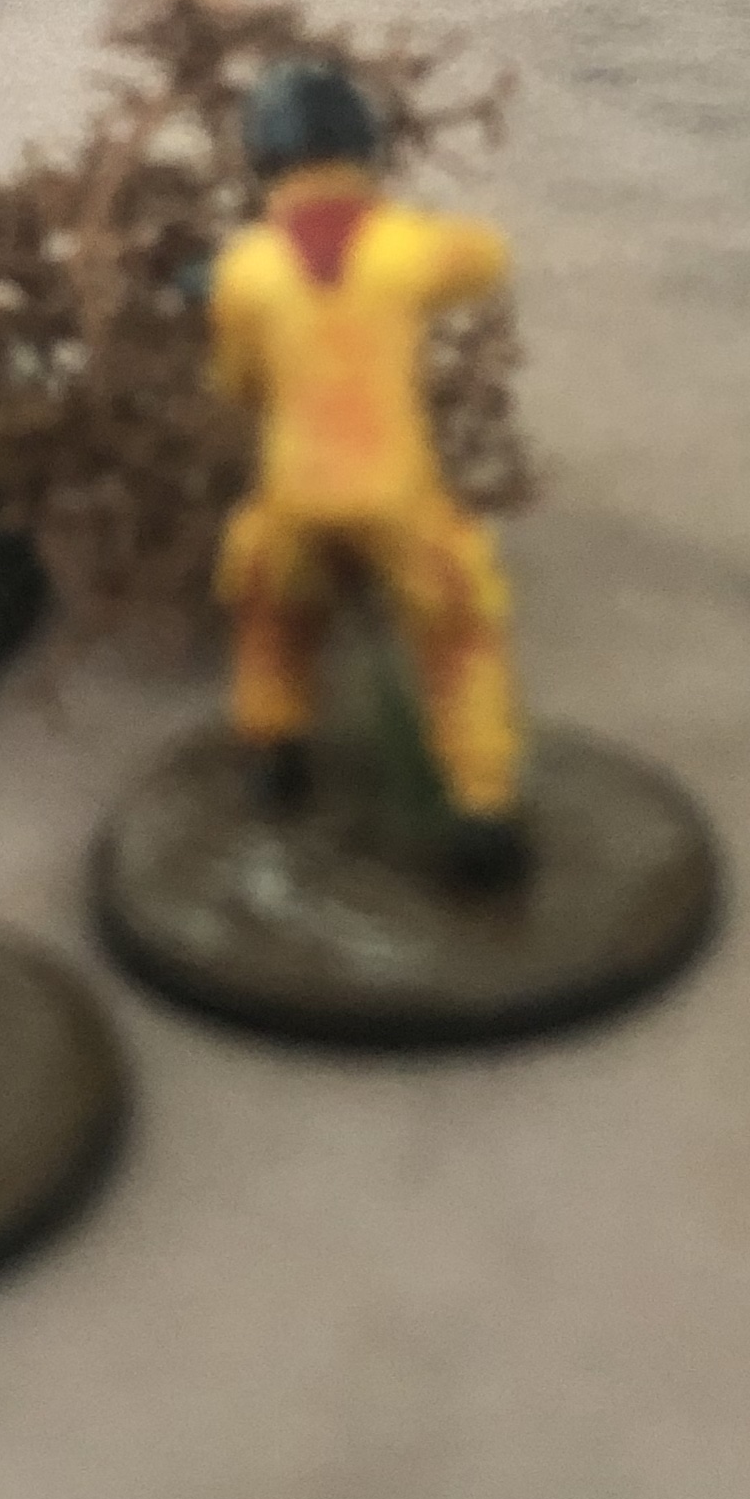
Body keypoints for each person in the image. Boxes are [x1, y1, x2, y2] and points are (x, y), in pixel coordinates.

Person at [207, 62, 527, 884]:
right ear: (364, 150)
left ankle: (275, 749)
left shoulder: (247, 268)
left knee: (275, 618)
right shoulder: (402, 246)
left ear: (264, 161)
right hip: (395, 494)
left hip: (296, 492)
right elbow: (486, 258)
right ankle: (482, 804)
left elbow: (237, 383)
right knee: (457, 634)